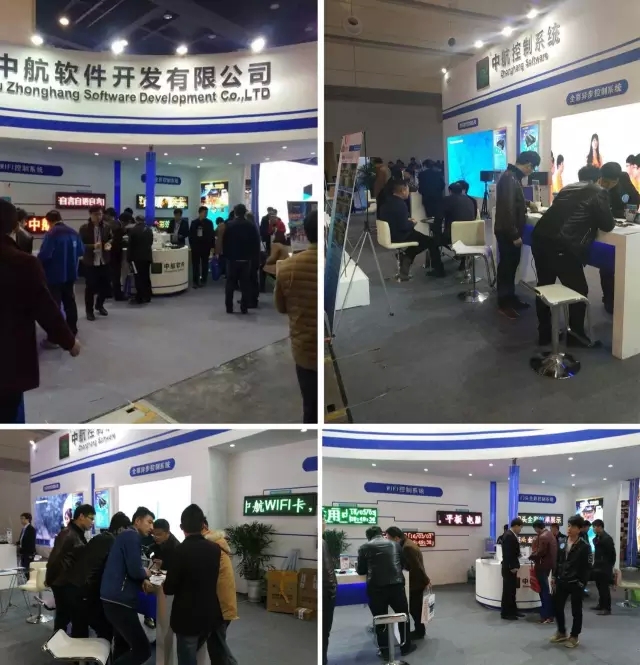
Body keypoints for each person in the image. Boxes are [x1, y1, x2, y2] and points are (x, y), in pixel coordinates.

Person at [0, 200, 80, 423]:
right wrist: (69, 341)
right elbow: (44, 308)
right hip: (8, 358)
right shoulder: (22, 263)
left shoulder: (51, 236)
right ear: (15, 226)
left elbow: (45, 255)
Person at [531, 162, 618, 346]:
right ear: (599, 179)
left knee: (544, 285)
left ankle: (545, 333)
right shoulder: (599, 191)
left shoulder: (568, 188)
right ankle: (575, 336)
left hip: (540, 239)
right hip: (562, 245)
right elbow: (607, 225)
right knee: (579, 291)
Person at [164, 504, 224, 665]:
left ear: (181, 527)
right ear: (203, 525)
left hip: (186, 618)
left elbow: (169, 588)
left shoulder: (179, 551)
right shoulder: (215, 549)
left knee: (187, 659)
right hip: (209, 615)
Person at [67, 512, 131, 658]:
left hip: (76, 588)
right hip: (88, 593)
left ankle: (81, 660)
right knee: (106, 630)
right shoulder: (113, 542)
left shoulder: (101, 538)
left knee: (80, 631)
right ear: (121, 529)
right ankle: (103, 659)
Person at [275, 210, 318, 424]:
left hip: (305, 349)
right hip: (329, 344)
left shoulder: (287, 268)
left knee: (310, 407)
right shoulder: (332, 263)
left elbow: (281, 307)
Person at [101, 506, 155, 665]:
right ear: (138, 521)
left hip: (112, 597)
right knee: (142, 650)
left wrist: (141, 577)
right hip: (120, 600)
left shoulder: (125, 536)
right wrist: (146, 573)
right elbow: (135, 570)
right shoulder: (132, 536)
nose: (152, 527)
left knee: (122, 645)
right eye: (149, 522)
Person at [357, 526, 415, 659]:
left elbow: (361, 570)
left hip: (376, 589)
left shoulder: (364, 547)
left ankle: (385, 651)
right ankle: (406, 647)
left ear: (368, 537)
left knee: (380, 619)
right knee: (403, 616)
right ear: (381, 533)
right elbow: (404, 564)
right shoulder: (395, 545)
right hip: (397, 586)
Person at [494, 150, 541, 314]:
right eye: (533, 167)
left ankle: (510, 297)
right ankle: (504, 303)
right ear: (529, 165)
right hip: (507, 232)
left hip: (507, 230)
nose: (531, 171)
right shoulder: (510, 178)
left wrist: (527, 203)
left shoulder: (512, 177)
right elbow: (507, 209)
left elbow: (513, 200)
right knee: (507, 267)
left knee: (511, 266)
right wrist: (514, 234)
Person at [45, 504, 96, 635]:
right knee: (70, 618)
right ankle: (62, 643)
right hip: (65, 584)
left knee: (68, 618)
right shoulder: (68, 534)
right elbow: (54, 559)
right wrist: (49, 580)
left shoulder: (77, 534)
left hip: (70, 583)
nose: (93, 522)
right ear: (81, 516)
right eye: (91, 518)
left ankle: (62, 642)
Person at [38, 210, 84, 348]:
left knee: (55, 307)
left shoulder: (52, 234)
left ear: (48, 221)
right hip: (70, 274)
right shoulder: (73, 232)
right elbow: (81, 251)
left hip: (54, 276)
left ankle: (55, 338)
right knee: (70, 302)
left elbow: (45, 255)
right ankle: (72, 330)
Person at [380, 179, 443, 280]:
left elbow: (393, 220)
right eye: (408, 189)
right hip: (401, 235)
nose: (408, 192)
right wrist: (412, 223)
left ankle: (406, 257)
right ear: (403, 190)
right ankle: (438, 269)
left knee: (422, 240)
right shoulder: (401, 205)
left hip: (390, 234)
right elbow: (404, 226)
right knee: (431, 241)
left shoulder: (386, 203)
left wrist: (406, 220)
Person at [550, 515, 591, 649]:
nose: (569, 529)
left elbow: (587, 567)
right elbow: (558, 561)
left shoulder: (584, 546)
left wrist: (582, 583)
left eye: (573, 526)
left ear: (579, 529)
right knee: (557, 607)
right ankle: (561, 632)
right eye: (568, 525)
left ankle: (574, 636)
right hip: (562, 580)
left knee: (576, 611)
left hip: (575, 582)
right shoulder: (562, 541)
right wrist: (554, 576)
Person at [202, 521, 239, 665]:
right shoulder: (218, 543)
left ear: (204, 526)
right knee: (216, 645)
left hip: (219, 606)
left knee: (218, 649)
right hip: (223, 603)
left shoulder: (211, 546)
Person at [385, 526, 430, 639]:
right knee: (416, 608)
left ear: (396, 538)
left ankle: (420, 631)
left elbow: (416, 567)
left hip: (415, 583)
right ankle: (420, 630)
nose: (388, 541)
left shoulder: (407, 547)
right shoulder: (406, 544)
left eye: (389, 538)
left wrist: (426, 580)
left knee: (415, 609)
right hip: (416, 582)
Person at [79, 205, 112, 321]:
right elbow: (81, 245)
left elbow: (111, 239)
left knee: (106, 285)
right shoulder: (84, 228)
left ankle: (99, 304)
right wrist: (93, 246)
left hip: (104, 260)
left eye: (100, 214)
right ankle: (89, 311)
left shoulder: (107, 227)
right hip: (90, 262)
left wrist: (109, 244)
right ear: (90, 215)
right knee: (90, 287)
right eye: (96, 214)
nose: (98, 217)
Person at [530, 519, 557, 624]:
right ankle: (549, 615)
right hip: (549, 566)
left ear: (537, 528)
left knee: (544, 591)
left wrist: (531, 556)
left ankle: (546, 615)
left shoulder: (542, 537)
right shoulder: (550, 534)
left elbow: (540, 552)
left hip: (542, 567)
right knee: (546, 590)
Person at [127, 215, 154, 305]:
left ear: (136, 220)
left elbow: (130, 246)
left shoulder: (133, 230)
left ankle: (140, 297)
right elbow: (151, 243)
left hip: (137, 258)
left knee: (138, 277)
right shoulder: (149, 230)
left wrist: (128, 259)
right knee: (146, 276)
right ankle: (148, 296)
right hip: (147, 257)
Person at [591, 519, 616, 616]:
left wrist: (609, 566)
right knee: (599, 587)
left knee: (604, 588)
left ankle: (607, 608)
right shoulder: (598, 537)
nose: (593, 529)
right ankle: (601, 605)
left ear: (600, 527)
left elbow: (612, 554)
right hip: (598, 566)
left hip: (605, 567)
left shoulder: (607, 538)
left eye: (594, 527)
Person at [501, 518, 523, 620]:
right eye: (520, 527)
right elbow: (507, 554)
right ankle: (506, 613)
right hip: (509, 568)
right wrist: (512, 567)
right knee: (508, 591)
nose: (520, 530)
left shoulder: (511, 535)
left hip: (511, 567)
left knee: (512, 591)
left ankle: (513, 610)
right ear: (516, 526)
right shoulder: (509, 536)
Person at [322, 521, 337, 665]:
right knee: (324, 631)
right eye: (323, 521)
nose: (324, 524)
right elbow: (328, 574)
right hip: (326, 596)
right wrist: (332, 592)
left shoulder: (321, 542)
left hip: (324, 593)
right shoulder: (322, 543)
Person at [189, 206, 215, 288]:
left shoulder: (209, 223)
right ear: (200, 213)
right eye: (205, 212)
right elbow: (191, 235)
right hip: (196, 247)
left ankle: (204, 280)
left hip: (205, 247)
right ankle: (195, 281)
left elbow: (212, 235)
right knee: (195, 264)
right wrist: (192, 246)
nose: (206, 214)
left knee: (205, 264)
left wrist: (212, 246)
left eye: (207, 213)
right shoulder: (194, 223)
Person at [104, 207, 126, 301]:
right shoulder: (117, 225)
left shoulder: (107, 226)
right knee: (116, 275)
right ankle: (117, 294)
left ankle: (108, 292)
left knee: (109, 274)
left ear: (108, 215)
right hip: (116, 253)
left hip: (109, 253)